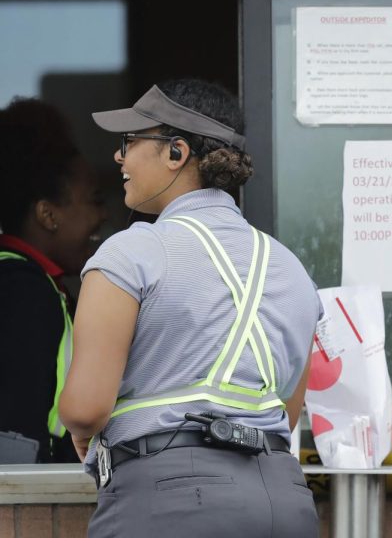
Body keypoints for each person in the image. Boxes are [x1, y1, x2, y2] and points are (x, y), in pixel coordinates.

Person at [59, 79, 321, 537]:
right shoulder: (292, 269)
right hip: (285, 500)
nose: (119, 157)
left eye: (130, 141)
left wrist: (87, 425)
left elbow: (84, 410)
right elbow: (285, 411)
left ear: (176, 153)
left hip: (170, 500)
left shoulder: (133, 251)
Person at [0, 97, 106, 463]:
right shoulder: (22, 290)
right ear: (48, 214)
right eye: (94, 200)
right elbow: (15, 427)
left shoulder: (30, 283)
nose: (103, 217)